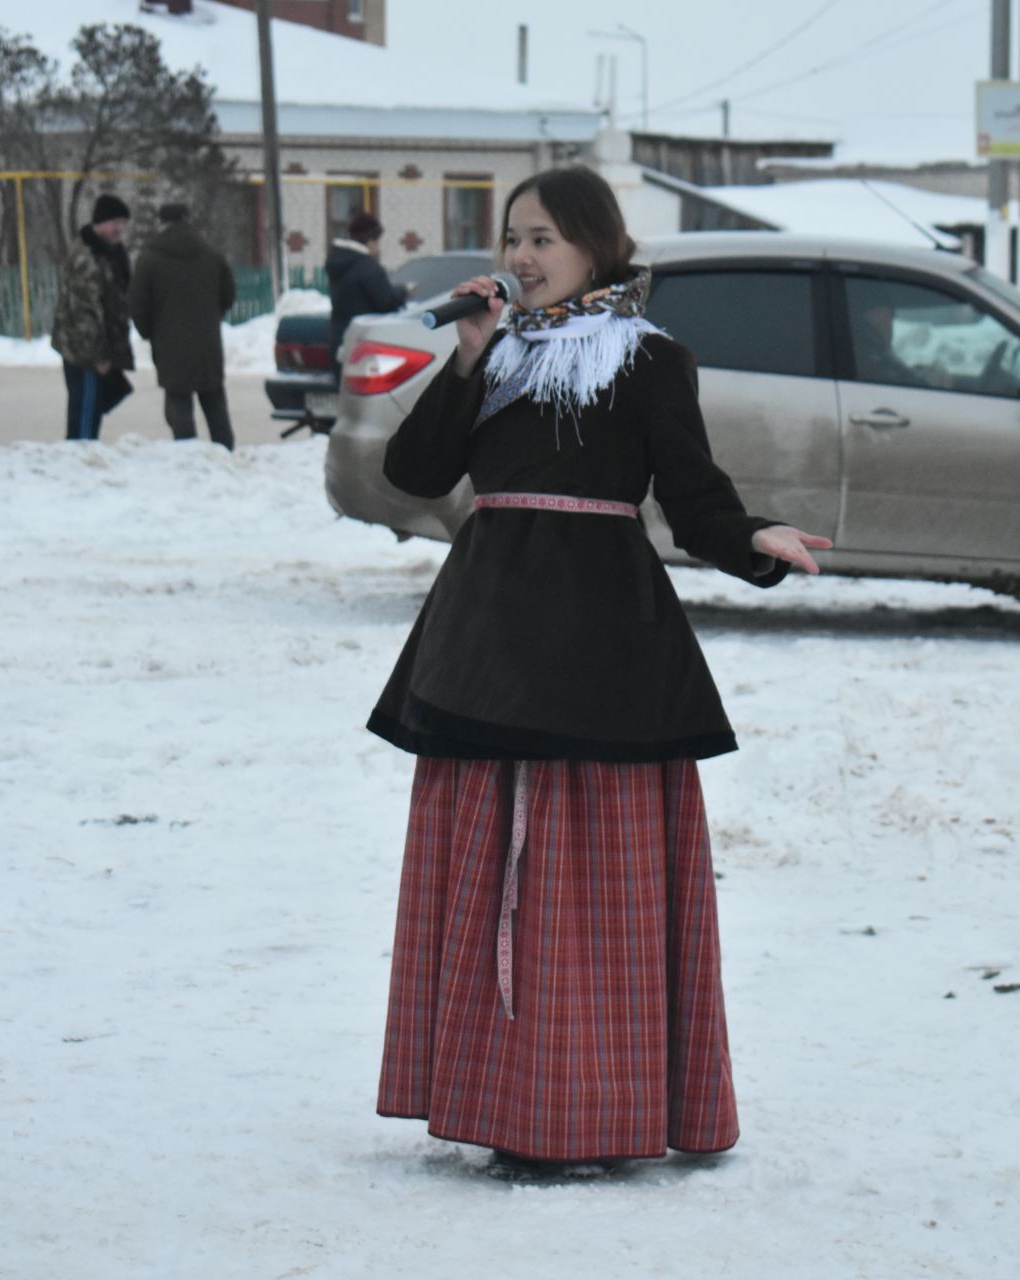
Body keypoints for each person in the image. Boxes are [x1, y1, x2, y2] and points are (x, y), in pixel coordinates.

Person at [367, 165, 831, 1176]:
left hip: (602, 642)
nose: (523, 259)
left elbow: (695, 498)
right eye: (514, 238)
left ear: (596, 244)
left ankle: (587, 1104)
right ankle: (494, 1093)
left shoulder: (650, 357)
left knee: (586, 885)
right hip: (486, 635)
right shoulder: (495, 355)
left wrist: (757, 539)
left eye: (544, 239)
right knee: (490, 876)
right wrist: (466, 360)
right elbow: (413, 475)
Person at [128, 202, 237, 449]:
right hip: (207, 343)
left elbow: (137, 304)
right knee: (214, 402)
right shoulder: (212, 255)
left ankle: (186, 455)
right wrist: (210, 319)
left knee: (178, 403)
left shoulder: (149, 259)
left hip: (169, 345)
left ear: (162, 223)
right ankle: (225, 453)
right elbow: (228, 295)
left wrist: (149, 332)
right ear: (188, 220)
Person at [52, 193, 136, 441]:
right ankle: (80, 456)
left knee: (94, 405)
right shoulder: (86, 257)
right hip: (84, 351)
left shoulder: (110, 253)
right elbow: (85, 311)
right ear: (100, 222)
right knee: (85, 411)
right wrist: (98, 355)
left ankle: (84, 453)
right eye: (115, 223)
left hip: (97, 346)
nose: (119, 229)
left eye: (123, 223)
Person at [327, 211, 409, 363]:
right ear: (370, 241)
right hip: (364, 342)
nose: (378, 247)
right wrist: (404, 291)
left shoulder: (337, 262)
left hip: (340, 340)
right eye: (377, 242)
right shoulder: (368, 268)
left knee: (344, 386)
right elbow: (387, 302)